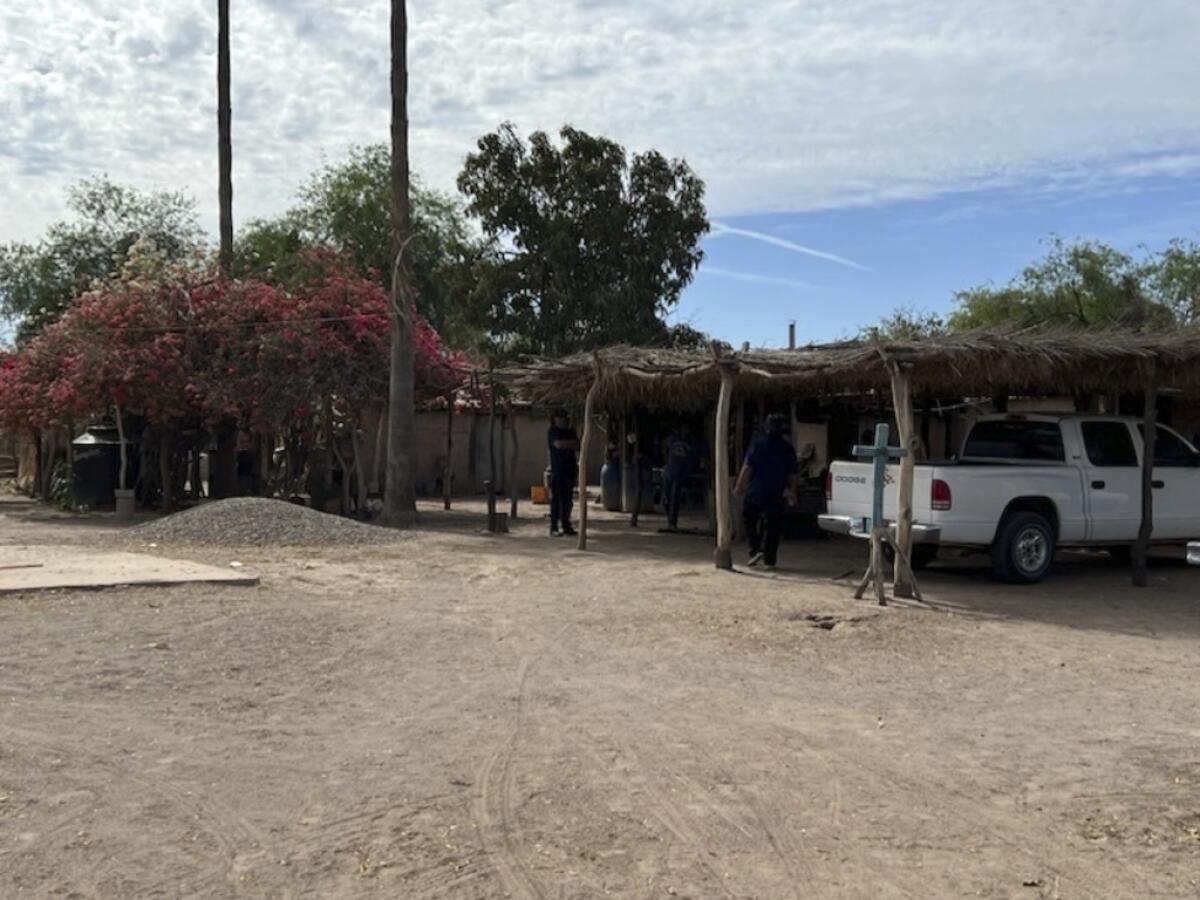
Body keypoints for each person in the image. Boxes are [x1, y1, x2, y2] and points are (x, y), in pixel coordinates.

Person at [734, 414, 799, 569]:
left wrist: (739, 486)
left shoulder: (757, 444)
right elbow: (793, 475)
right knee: (774, 526)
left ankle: (755, 548)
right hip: (777, 491)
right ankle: (769, 559)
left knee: (749, 519)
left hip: (756, 490)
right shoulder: (787, 448)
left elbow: (747, 468)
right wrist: (793, 492)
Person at [547, 408, 579, 537]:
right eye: (559, 417)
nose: (562, 420)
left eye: (563, 417)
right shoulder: (553, 431)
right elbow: (558, 444)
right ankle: (554, 526)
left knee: (568, 500)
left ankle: (566, 525)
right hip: (558, 470)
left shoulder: (570, 431)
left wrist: (569, 444)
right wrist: (569, 444)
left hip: (569, 469)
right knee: (556, 499)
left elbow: (578, 445)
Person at [662, 426, 698, 530]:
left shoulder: (691, 442)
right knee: (666, 498)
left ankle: (672, 522)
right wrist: (665, 461)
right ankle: (669, 520)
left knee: (675, 497)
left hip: (680, 473)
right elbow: (663, 446)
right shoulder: (672, 438)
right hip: (669, 471)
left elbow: (694, 457)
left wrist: (689, 469)